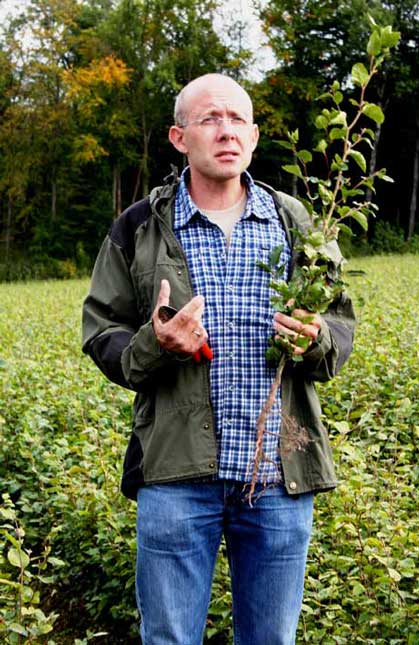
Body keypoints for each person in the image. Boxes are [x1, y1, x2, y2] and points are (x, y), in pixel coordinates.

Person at [82, 73, 355, 645]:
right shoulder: (139, 226)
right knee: (170, 638)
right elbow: (100, 330)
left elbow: (341, 327)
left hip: (279, 476)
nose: (225, 131)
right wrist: (154, 345)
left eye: (237, 120)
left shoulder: (299, 225)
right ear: (180, 137)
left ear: (254, 138)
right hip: (176, 477)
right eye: (210, 119)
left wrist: (316, 338)